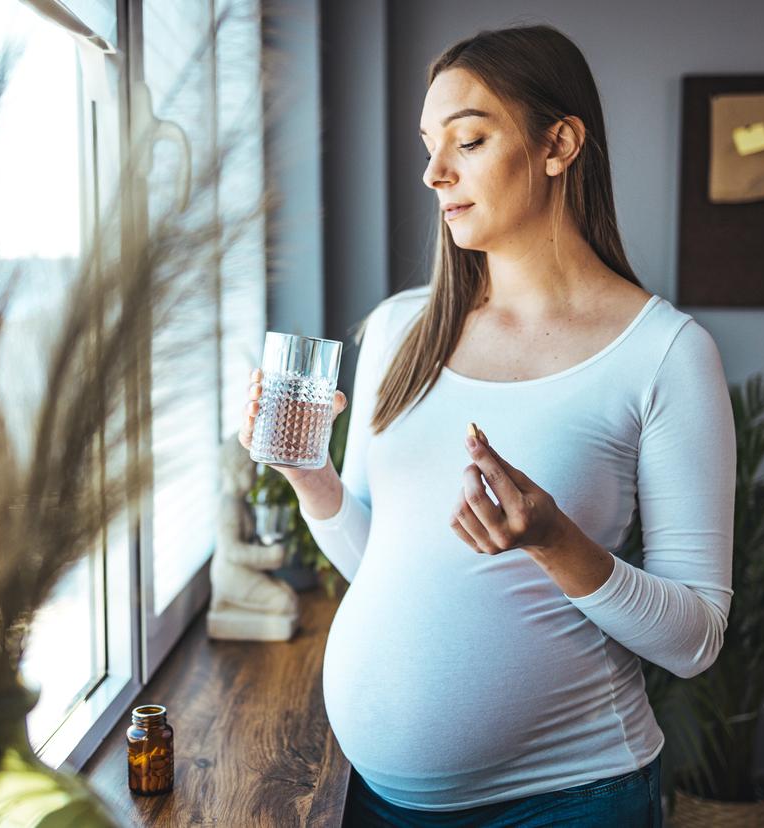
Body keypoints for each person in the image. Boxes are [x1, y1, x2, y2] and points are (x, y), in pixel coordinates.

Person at [237, 23, 735, 828]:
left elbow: (696, 640)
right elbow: (380, 564)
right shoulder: (402, 329)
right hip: (377, 800)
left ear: (559, 144)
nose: (434, 173)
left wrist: (555, 541)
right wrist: (309, 476)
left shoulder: (666, 355)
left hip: (571, 801)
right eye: (429, 146)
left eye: (467, 140)